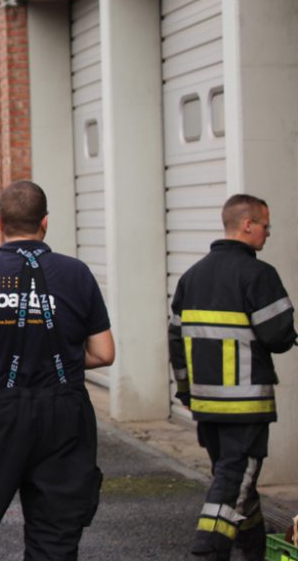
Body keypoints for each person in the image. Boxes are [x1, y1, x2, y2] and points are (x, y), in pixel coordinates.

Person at [0, 180, 114, 561]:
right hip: (65, 415)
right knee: (55, 538)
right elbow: (104, 352)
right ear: (45, 222)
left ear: (1, 223)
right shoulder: (77, 273)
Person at [169, 194, 297, 561]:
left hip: (206, 407)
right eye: (265, 226)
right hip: (246, 406)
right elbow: (278, 335)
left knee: (239, 484)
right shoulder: (259, 274)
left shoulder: (191, 277)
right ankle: (207, 551)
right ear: (247, 225)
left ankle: (255, 550)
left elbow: (176, 341)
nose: (268, 234)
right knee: (230, 487)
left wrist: (185, 392)